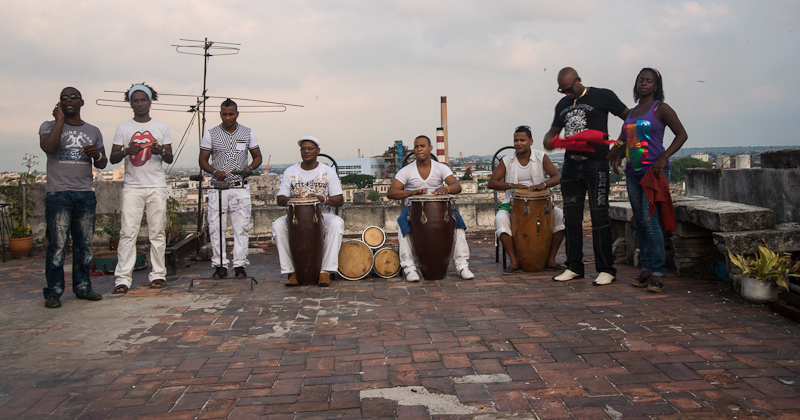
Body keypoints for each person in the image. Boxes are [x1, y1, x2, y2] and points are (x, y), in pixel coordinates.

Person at [543, 67, 629, 286]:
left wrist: (618, 147)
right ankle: (574, 266)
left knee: (599, 215)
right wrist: (549, 139)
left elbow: (630, 119)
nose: (567, 94)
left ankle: (606, 269)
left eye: (570, 89)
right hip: (572, 165)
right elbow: (553, 131)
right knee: (571, 218)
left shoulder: (602, 95)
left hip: (596, 163)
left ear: (579, 80)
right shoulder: (563, 104)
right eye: (562, 91)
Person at [610, 68, 687, 293]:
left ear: (656, 86)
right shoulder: (632, 112)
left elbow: (682, 134)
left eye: (649, 81)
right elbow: (624, 138)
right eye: (641, 80)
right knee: (640, 222)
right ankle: (645, 268)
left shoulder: (660, 109)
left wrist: (663, 158)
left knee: (650, 220)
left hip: (653, 172)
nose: (644, 84)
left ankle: (658, 272)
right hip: (633, 172)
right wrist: (616, 154)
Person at [38, 87, 108, 308]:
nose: (68, 100)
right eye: (64, 98)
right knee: (57, 245)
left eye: (73, 97)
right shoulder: (48, 126)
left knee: (84, 245)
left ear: (82, 102)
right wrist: (59, 120)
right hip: (58, 193)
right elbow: (49, 147)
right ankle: (54, 291)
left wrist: (96, 154)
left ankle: (83, 287)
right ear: (59, 104)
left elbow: (103, 163)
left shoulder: (93, 130)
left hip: (85, 193)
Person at [109, 83, 173, 293]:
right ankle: (123, 278)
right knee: (128, 232)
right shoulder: (123, 128)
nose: (139, 104)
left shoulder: (161, 127)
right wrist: (127, 151)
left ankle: (158, 274)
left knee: (157, 233)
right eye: (135, 101)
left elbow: (169, 157)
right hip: (133, 187)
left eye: (143, 100)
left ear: (149, 102)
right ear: (131, 104)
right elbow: (113, 157)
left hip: (156, 185)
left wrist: (160, 150)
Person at [387, 135, 474, 281]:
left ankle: (462, 266)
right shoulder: (407, 171)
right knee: (402, 223)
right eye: (416, 146)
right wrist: (412, 192)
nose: (419, 149)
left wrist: (446, 189)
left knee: (458, 222)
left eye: (422, 146)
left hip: (440, 209)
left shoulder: (441, 168)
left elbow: (457, 186)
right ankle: (409, 268)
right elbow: (391, 192)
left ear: (430, 148)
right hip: (413, 208)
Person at [198, 99, 262, 279]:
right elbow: (202, 160)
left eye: (231, 114)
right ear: (220, 114)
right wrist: (214, 172)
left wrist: (249, 168)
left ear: (237, 114)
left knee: (241, 228)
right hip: (218, 188)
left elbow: (257, 157)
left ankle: (240, 264)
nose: (228, 118)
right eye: (224, 114)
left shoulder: (247, 132)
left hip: (240, 186)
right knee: (216, 228)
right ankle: (220, 265)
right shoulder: (211, 134)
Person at [488, 125, 566, 275]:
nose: (518, 143)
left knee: (560, 216)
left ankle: (551, 260)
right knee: (500, 219)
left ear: (531, 141)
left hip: (541, 203)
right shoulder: (507, 160)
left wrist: (544, 185)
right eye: (516, 140)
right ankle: (514, 262)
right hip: (513, 203)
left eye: (522, 140)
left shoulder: (541, 157)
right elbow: (492, 183)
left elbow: (558, 176)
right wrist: (512, 185)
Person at [272, 136, 344, 287]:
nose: (306, 151)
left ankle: (325, 271)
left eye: (310, 148)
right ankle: (292, 271)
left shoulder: (327, 171)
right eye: (303, 149)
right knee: (278, 225)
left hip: (323, 214)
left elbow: (339, 199)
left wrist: (323, 198)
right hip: (296, 215)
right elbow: (280, 199)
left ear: (318, 151)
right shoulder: (290, 171)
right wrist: (291, 198)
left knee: (336, 223)